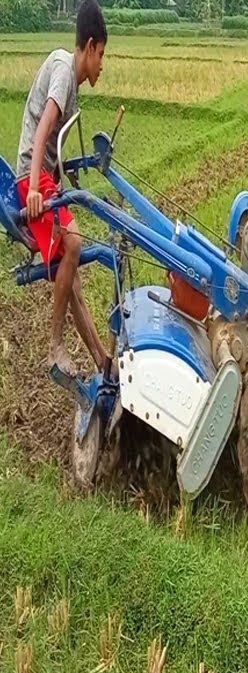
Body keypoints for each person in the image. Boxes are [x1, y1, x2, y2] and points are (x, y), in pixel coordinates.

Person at [15, 0, 111, 393]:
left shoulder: (69, 77)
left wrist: (65, 168)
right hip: (30, 180)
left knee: (70, 280)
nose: (102, 64)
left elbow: (54, 141)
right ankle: (55, 346)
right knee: (73, 245)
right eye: (102, 54)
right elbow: (42, 132)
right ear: (89, 47)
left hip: (45, 177)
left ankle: (104, 363)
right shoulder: (63, 74)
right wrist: (37, 187)